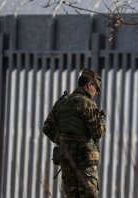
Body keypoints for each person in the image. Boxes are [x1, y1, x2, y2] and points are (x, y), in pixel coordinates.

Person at [43, 68, 106, 198]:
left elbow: (47, 128)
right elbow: (97, 133)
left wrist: (64, 141)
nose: (96, 93)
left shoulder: (61, 102)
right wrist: (103, 122)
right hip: (85, 161)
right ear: (89, 85)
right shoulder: (88, 104)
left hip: (67, 158)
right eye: (97, 89)